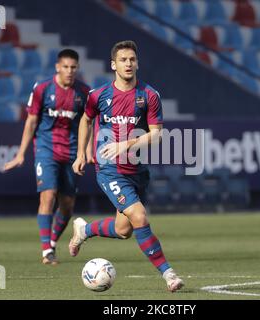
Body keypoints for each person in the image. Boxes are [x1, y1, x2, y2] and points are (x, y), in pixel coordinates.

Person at [70, 40, 184, 292]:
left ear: (137, 63)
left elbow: (157, 134)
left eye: (132, 59)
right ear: (113, 65)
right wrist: (81, 153)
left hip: (137, 170)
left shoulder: (149, 96)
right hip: (109, 169)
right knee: (140, 216)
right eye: (123, 60)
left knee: (124, 230)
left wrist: (126, 145)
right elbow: (86, 120)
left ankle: (84, 229)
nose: (128, 64)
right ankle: (169, 274)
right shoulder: (98, 95)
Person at [3, 49, 91, 265]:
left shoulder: (84, 92)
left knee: (68, 205)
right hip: (46, 149)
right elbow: (31, 121)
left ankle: (52, 242)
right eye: (65, 67)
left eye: (73, 67)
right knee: (48, 195)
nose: (69, 71)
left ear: (77, 68)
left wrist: (86, 151)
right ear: (57, 67)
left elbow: (89, 122)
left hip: (71, 152)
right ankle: (46, 251)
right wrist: (21, 153)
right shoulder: (42, 89)